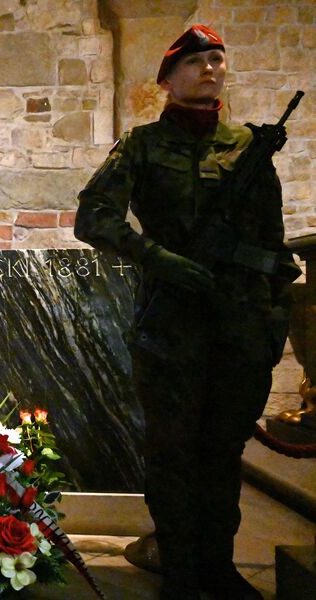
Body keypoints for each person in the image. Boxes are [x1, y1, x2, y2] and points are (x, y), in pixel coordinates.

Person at [74, 25, 300, 600]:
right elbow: (93, 217)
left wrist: (271, 323)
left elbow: (271, 247)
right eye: (196, 62)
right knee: (171, 454)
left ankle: (217, 568)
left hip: (238, 326)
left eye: (217, 59)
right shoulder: (143, 146)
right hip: (170, 326)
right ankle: (179, 570)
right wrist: (159, 259)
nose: (210, 69)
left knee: (222, 454)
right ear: (168, 79)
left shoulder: (249, 148)